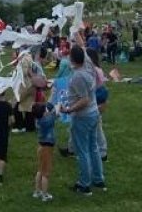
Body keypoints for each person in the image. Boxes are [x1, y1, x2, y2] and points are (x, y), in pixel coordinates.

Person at [59, 46, 104, 196]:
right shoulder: (90, 67)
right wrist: (76, 32)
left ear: (72, 59)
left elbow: (84, 99)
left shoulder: (78, 76)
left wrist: (69, 110)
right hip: (94, 113)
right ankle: (98, 179)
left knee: (83, 151)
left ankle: (84, 184)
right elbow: (82, 46)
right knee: (94, 147)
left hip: (83, 116)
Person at [32, 102, 56, 202]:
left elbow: (49, 108)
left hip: (42, 146)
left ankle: (37, 191)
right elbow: (55, 113)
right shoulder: (47, 121)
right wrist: (58, 106)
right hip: (47, 148)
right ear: (43, 113)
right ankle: (44, 195)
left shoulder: (38, 120)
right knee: (46, 173)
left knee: (40, 171)